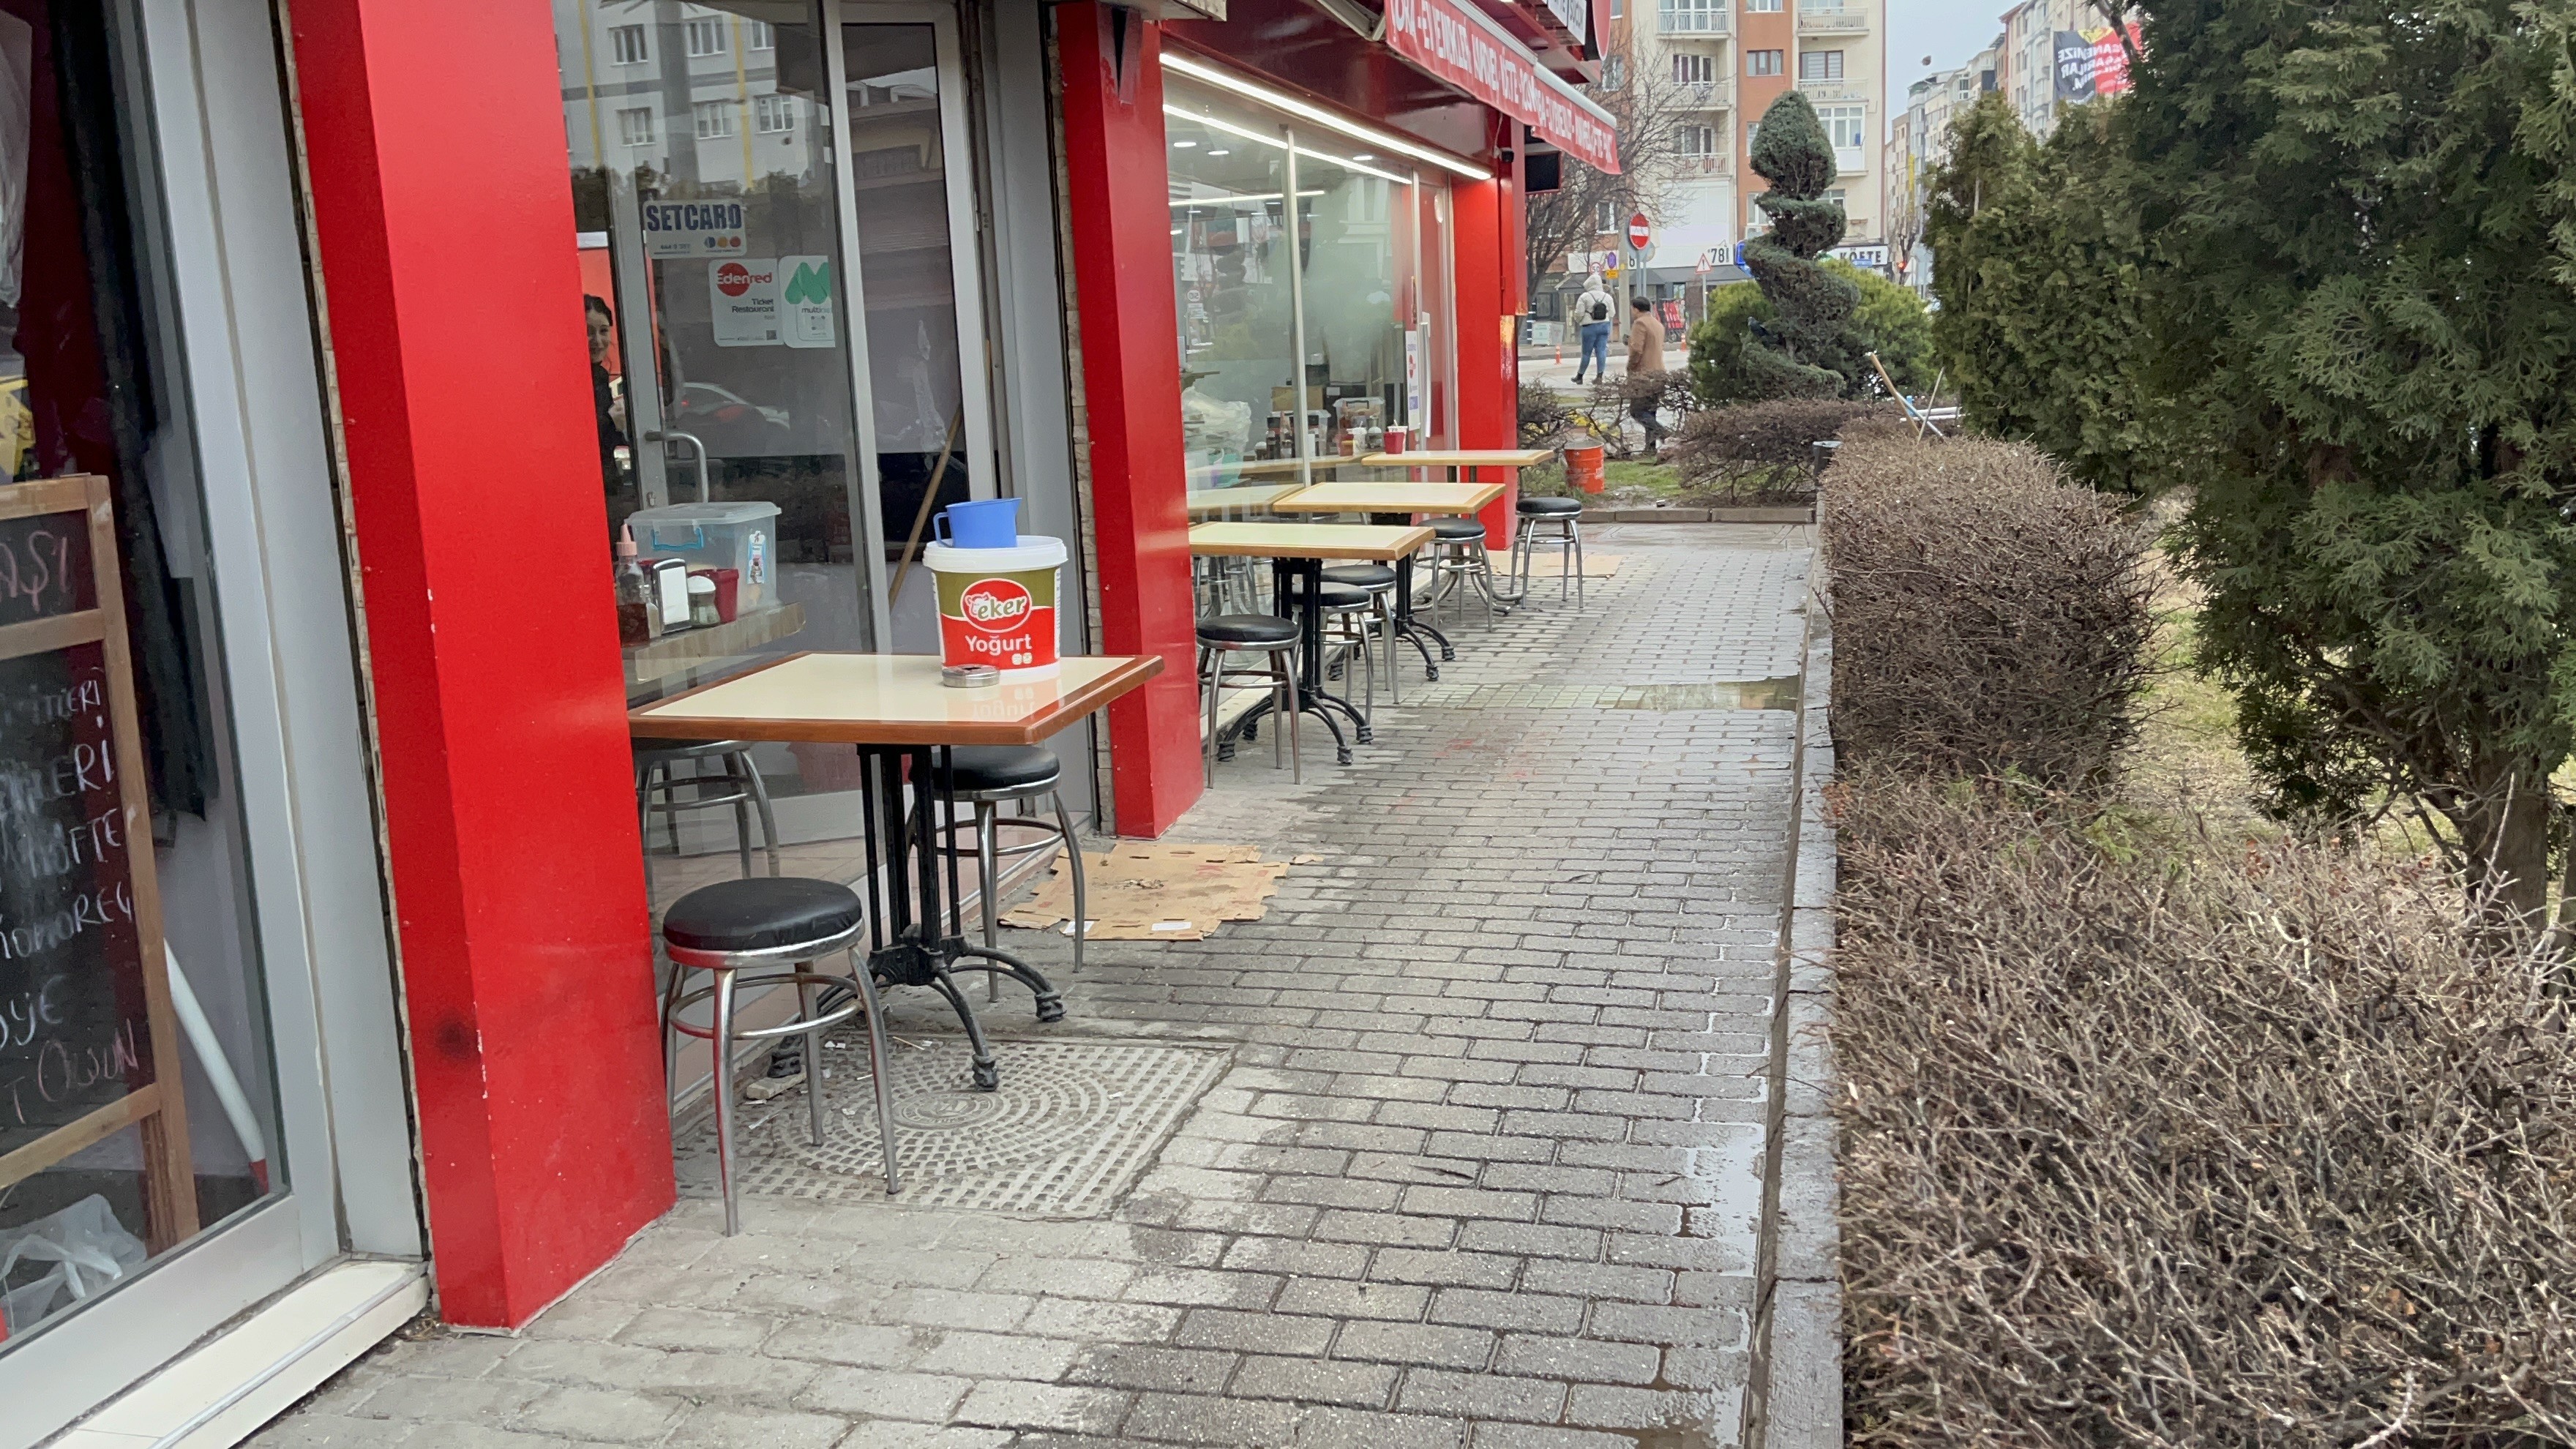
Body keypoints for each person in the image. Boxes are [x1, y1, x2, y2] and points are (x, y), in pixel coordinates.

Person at [585, 294, 627, 495]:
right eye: (588, 332)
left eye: (603, 331)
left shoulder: (599, 375)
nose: (598, 341)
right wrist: (616, 424)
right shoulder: (579, 379)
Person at [1626, 296, 1668, 456]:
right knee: (1650, 411)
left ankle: (1664, 434)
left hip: (1644, 374)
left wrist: (1631, 366)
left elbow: (1637, 350)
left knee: (1637, 411)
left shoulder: (1640, 323)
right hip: (1659, 373)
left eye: (1632, 309)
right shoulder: (1657, 324)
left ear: (1636, 309)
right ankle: (1650, 448)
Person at [1572, 274, 1614, 384]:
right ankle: (1599, 377)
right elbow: (1612, 313)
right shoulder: (1608, 297)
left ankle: (1580, 376)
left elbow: (1579, 313)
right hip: (1604, 326)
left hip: (1589, 327)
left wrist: (1579, 320)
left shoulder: (1584, 297)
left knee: (1586, 353)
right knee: (1601, 350)